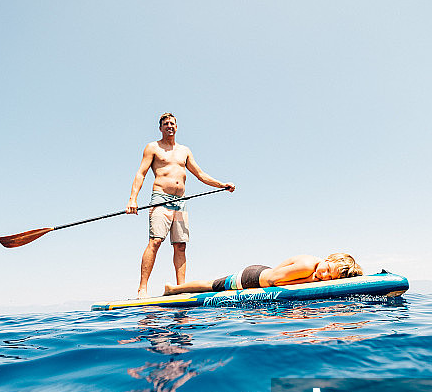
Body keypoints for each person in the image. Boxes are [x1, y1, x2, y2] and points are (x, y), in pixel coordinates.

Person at [126, 112, 235, 297]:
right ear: (160, 128)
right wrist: (132, 199)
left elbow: (200, 174)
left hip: (181, 202)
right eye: (166, 123)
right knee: (155, 241)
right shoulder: (153, 147)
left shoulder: (184, 150)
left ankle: (180, 289)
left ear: (176, 127)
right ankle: (142, 288)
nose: (170, 126)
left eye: (172, 123)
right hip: (161, 198)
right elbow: (141, 173)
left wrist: (221, 184)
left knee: (181, 246)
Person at [163, 253, 363, 295]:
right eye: (327, 270)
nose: (325, 276)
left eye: (331, 277)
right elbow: (275, 281)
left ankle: (176, 288)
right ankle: (174, 289)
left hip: (261, 272)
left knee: (212, 284)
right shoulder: (308, 266)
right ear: (327, 258)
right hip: (251, 279)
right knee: (211, 285)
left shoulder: (313, 265)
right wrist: (310, 280)